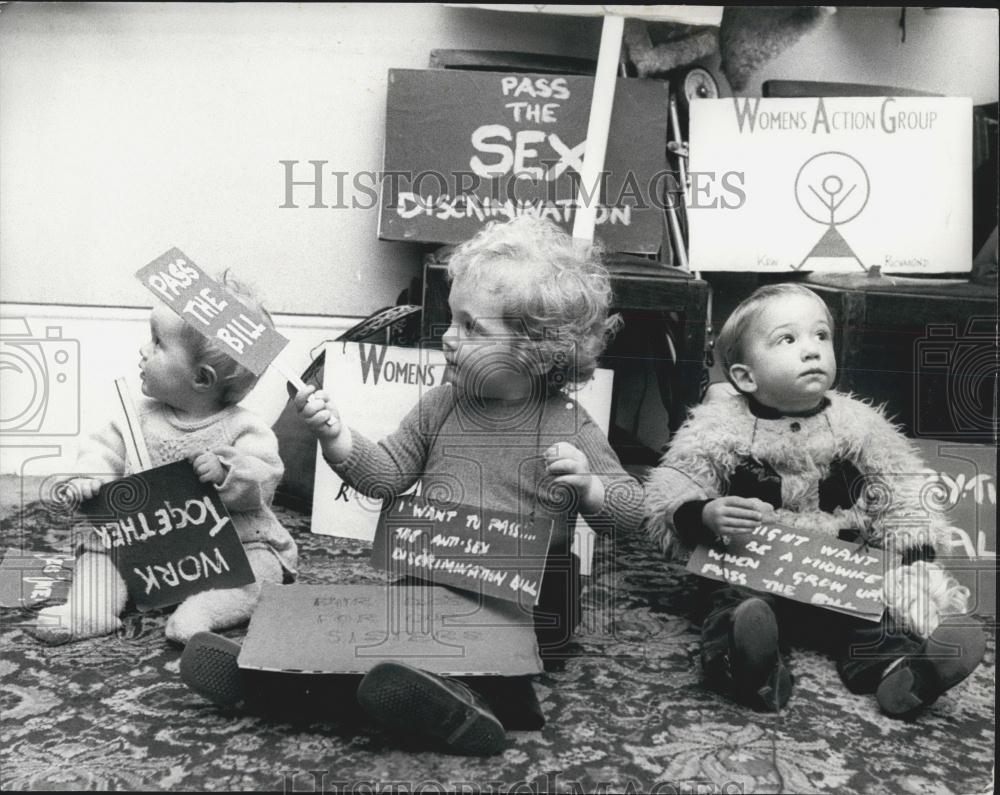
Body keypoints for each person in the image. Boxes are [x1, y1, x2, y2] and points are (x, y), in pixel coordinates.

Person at [180, 215, 644, 755]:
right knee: (368, 637)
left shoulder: (570, 425)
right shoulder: (443, 405)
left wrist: (591, 489)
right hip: (438, 579)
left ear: (539, 350)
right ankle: (272, 681)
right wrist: (337, 438)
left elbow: (630, 511)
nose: (448, 337)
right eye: (452, 319)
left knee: (473, 647)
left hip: (533, 601)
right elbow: (387, 477)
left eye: (472, 328)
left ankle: (472, 705)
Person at [644, 283, 986, 718]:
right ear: (745, 377)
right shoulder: (718, 426)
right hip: (754, 563)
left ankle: (905, 674)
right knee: (732, 603)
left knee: (868, 617)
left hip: (835, 566)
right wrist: (703, 513)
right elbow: (674, 482)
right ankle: (750, 662)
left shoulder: (858, 424)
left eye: (821, 336)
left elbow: (901, 480)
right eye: (788, 339)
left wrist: (913, 551)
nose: (812, 350)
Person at [29, 274, 296, 646]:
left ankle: (204, 612)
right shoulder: (136, 417)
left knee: (262, 570)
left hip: (228, 546)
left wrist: (227, 472)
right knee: (99, 551)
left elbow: (262, 480)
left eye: (157, 343)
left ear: (202, 378)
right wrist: (91, 477)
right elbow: (103, 448)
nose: (143, 350)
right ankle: (90, 609)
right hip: (145, 545)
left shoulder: (245, 428)